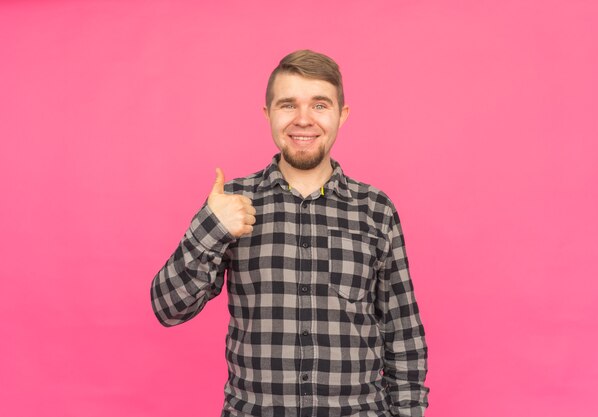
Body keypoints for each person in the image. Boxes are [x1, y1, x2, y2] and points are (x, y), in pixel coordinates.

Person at [150, 49, 429, 417]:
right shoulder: (232, 205)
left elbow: (403, 336)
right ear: (268, 114)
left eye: (319, 105)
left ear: (341, 115)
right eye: (288, 105)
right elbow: (168, 309)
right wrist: (210, 228)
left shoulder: (376, 210)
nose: (303, 120)